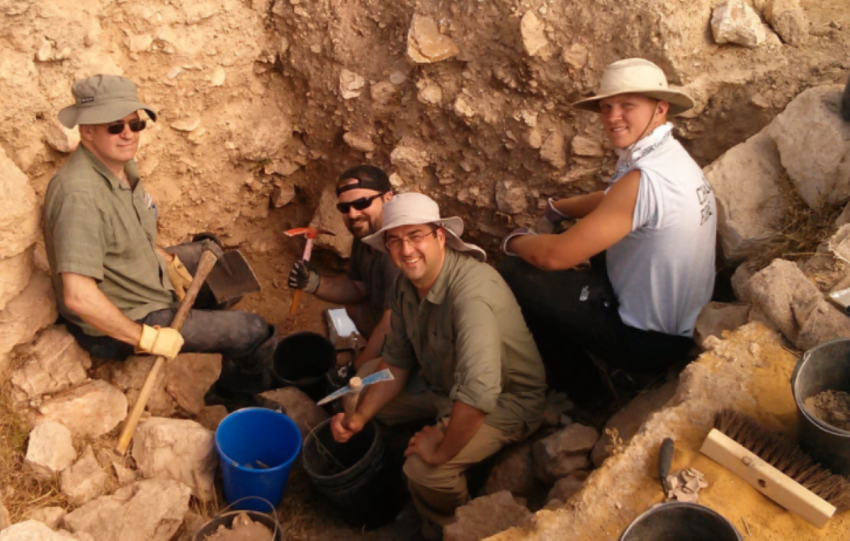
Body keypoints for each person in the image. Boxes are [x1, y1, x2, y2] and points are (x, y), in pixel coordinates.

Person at [43, 74, 278, 409]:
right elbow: (79, 296)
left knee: (211, 250)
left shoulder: (119, 166)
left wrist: (168, 263)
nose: (127, 134)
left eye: (135, 124)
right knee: (253, 331)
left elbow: (127, 234)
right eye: (114, 126)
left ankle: (199, 320)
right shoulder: (78, 195)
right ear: (87, 130)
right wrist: (147, 337)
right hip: (123, 319)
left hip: (141, 277)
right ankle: (233, 393)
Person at [329, 193, 546, 535]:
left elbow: (478, 395)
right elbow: (397, 361)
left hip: (507, 398)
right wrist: (358, 418)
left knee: (424, 471)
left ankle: (453, 523)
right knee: (363, 386)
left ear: (440, 236)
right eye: (395, 241)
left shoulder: (470, 294)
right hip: (440, 381)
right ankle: (431, 450)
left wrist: (440, 451)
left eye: (416, 236)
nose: (406, 250)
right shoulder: (405, 286)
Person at [499, 58, 717, 399]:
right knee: (592, 243)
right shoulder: (667, 157)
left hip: (646, 341)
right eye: (606, 107)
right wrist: (559, 210)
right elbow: (613, 199)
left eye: (627, 105)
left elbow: (554, 257)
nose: (613, 117)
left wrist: (515, 242)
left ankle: (589, 393)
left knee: (514, 275)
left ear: (660, 109)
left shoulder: (646, 179)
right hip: (682, 316)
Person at [287, 165, 399, 372]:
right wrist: (314, 283)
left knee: (357, 395)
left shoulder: (399, 250)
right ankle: (375, 357)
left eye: (362, 203)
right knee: (354, 308)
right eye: (345, 208)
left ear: (388, 198)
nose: (353, 214)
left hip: (413, 342)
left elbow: (390, 326)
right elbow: (357, 289)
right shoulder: (365, 238)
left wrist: (354, 369)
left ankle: (382, 365)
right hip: (391, 329)